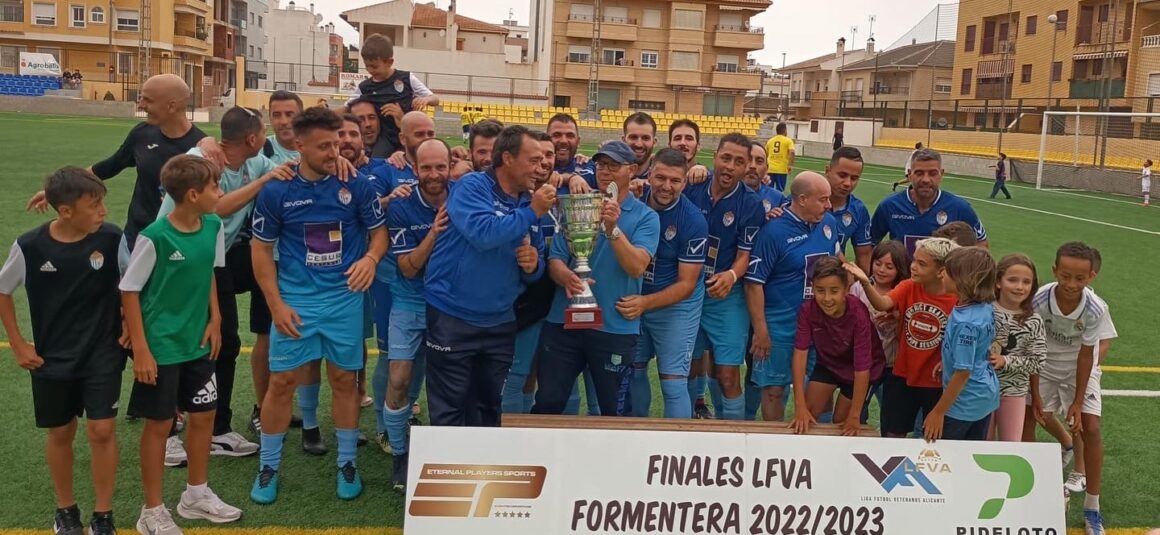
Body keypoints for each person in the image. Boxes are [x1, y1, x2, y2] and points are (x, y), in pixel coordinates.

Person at [248, 107, 388, 505]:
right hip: (296, 301)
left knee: (345, 381)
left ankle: (347, 462)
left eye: (338, 142)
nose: (335, 150)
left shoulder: (355, 184)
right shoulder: (277, 189)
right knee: (281, 383)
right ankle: (269, 466)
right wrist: (275, 305)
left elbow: (379, 235)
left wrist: (370, 259)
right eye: (325, 145)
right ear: (298, 145)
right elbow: (260, 253)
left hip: (344, 299)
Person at [159, 107, 294, 460]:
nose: (266, 137)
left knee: (226, 342)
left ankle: (218, 427)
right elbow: (215, 209)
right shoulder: (200, 160)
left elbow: (289, 169)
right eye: (263, 131)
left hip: (212, 260)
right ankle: (169, 431)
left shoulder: (254, 163)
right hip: (174, 262)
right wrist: (264, 183)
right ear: (252, 139)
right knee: (180, 343)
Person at [0, 168, 125, 535]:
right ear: (65, 211)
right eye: (94, 205)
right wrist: (19, 343)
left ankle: (104, 515)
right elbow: (3, 290)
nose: (103, 211)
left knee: (102, 430)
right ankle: (65, 510)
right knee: (60, 432)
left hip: (102, 352)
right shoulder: (30, 246)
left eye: (102, 202)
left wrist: (130, 325)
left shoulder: (113, 238)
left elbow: (134, 286)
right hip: (52, 358)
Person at [120, 155, 242, 531]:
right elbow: (129, 290)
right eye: (215, 188)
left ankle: (196, 494)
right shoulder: (155, 237)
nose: (221, 194)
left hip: (198, 344)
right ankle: (152, 511)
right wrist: (140, 348)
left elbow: (207, 273)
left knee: (204, 415)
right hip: (160, 349)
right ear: (192, 194)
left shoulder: (212, 226)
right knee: (160, 426)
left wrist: (216, 318)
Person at [423, 125, 555, 427]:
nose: (542, 166)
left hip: (499, 320)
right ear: (507, 158)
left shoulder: (528, 202)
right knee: (449, 410)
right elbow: (482, 234)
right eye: (533, 160)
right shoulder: (472, 186)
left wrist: (533, 265)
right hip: (452, 315)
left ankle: (481, 472)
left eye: (544, 161)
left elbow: (531, 273)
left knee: (488, 407)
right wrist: (532, 211)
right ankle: (446, 470)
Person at [533, 139, 660, 416]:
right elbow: (555, 259)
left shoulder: (645, 217)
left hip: (614, 326)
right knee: (548, 404)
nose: (605, 172)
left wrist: (613, 229)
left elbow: (637, 266)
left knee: (615, 411)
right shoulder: (579, 205)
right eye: (601, 165)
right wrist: (567, 277)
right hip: (563, 321)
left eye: (614, 166)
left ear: (633, 170)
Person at [27, 74, 207, 268]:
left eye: (147, 100)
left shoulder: (200, 149)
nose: (140, 105)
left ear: (171, 106)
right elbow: (107, 167)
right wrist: (56, 192)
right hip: (137, 236)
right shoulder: (141, 134)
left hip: (178, 242)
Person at [1031, 242, 1116, 534]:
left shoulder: (1095, 308)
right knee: (1028, 419)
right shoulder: (1040, 298)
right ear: (1055, 270)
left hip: (1079, 368)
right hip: (1043, 365)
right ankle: (1028, 496)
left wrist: (1078, 402)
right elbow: (1032, 343)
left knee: (1090, 427)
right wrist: (1033, 390)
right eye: (1065, 275)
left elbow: (1086, 355)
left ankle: (1092, 507)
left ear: (1091, 277)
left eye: (1079, 278)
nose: (1071, 283)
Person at [383, 138, 452, 489]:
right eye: (427, 167)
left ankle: (442, 453)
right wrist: (435, 233)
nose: (434, 174)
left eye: (441, 166)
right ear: (415, 169)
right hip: (410, 302)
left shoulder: (464, 197)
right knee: (398, 379)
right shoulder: (402, 205)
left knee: (448, 386)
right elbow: (408, 268)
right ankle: (399, 454)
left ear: (451, 166)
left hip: (451, 305)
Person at [745, 172, 840, 422]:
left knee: (821, 387)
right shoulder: (774, 231)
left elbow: (838, 264)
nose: (829, 205)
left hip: (820, 325)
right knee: (775, 390)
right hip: (781, 326)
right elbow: (754, 283)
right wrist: (761, 330)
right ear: (801, 199)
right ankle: (775, 446)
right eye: (823, 199)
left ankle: (818, 447)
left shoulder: (829, 223)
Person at [684, 134, 764, 421]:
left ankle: (731, 437)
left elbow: (745, 254)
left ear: (746, 168)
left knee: (728, 373)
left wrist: (730, 275)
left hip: (726, 298)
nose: (730, 166)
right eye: (726, 158)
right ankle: (689, 429)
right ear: (715, 157)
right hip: (688, 293)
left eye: (739, 161)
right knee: (688, 367)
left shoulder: (751, 203)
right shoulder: (692, 187)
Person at [845, 237, 959, 438]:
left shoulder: (956, 298)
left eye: (921, 264)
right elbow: (882, 303)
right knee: (892, 434)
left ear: (941, 271)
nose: (913, 267)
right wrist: (865, 282)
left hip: (936, 382)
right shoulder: (909, 286)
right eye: (914, 260)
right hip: (903, 375)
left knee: (931, 438)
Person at [627, 148, 707, 418]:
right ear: (649, 174)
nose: (666, 186)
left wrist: (644, 303)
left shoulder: (693, 220)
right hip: (636, 297)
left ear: (684, 182)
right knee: (633, 373)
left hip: (675, 305)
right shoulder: (633, 201)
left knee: (673, 384)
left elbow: (686, 284)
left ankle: (677, 448)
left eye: (675, 181)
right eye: (660, 178)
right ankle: (637, 437)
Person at [788, 256, 884, 436]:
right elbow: (800, 356)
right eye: (820, 291)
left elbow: (863, 367)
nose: (827, 298)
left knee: (843, 421)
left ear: (846, 290)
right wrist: (799, 406)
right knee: (807, 413)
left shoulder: (857, 313)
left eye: (834, 291)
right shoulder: (808, 310)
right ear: (812, 288)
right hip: (830, 364)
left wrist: (855, 416)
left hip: (861, 371)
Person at [505, 133, 561, 415]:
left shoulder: (566, 196)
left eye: (549, 157)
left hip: (555, 300)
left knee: (544, 376)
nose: (543, 164)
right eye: (536, 158)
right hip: (517, 302)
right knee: (514, 376)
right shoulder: (513, 198)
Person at [922, 247, 999, 442]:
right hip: (984, 395)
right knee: (970, 455)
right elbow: (976, 348)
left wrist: (938, 412)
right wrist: (949, 358)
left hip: (964, 404)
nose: (940, 274)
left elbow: (963, 372)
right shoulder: (983, 307)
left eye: (946, 271)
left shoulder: (966, 323)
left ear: (963, 279)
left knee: (940, 455)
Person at [871, 148, 987, 253]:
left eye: (932, 173)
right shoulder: (890, 205)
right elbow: (870, 244)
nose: (926, 179)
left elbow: (981, 245)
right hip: (904, 276)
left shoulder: (960, 208)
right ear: (910, 175)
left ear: (941, 174)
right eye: (919, 173)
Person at [849, 240, 910, 425]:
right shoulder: (859, 288)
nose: (882, 269)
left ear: (900, 268)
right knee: (858, 411)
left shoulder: (903, 291)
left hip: (892, 364)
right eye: (878, 263)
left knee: (892, 415)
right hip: (866, 363)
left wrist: (899, 316)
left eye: (889, 266)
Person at [990, 253, 1047, 442]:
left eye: (1026, 282)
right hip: (981, 392)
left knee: (1010, 446)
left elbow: (1037, 362)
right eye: (1012, 280)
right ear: (998, 282)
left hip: (1014, 393)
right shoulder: (985, 311)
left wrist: (1005, 361)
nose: (1019, 287)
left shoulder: (1033, 320)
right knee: (980, 445)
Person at [352, 34, 438, 156]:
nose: (370, 70)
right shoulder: (364, 87)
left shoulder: (406, 78)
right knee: (378, 162)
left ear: (389, 62)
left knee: (424, 157)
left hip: (410, 134)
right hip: (386, 138)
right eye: (367, 66)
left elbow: (435, 99)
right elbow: (347, 107)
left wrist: (425, 100)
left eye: (374, 66)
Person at [826, 147, 872, 272]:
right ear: (828, 170)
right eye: (842, 175)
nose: (847, 183)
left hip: (835, 281)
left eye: (854, 178)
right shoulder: (804, 198)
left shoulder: (858, 210)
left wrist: (866, 285)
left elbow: (864, 255)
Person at [743, 143, 785, 220]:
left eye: (759, 161)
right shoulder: (725, 194)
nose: (753, 166)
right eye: (748, 159)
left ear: (766, 169)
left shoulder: (777, 198)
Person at [764, 123, 795, 192]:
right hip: (781, 170)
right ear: (785, 130)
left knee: (768, 189)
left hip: (770, 169)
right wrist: (790, 165)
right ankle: (778, 202)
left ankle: (768, 202)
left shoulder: (770, 141)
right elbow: (792, 152)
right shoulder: (788, 140)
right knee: (780, 190)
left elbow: (765, 153)